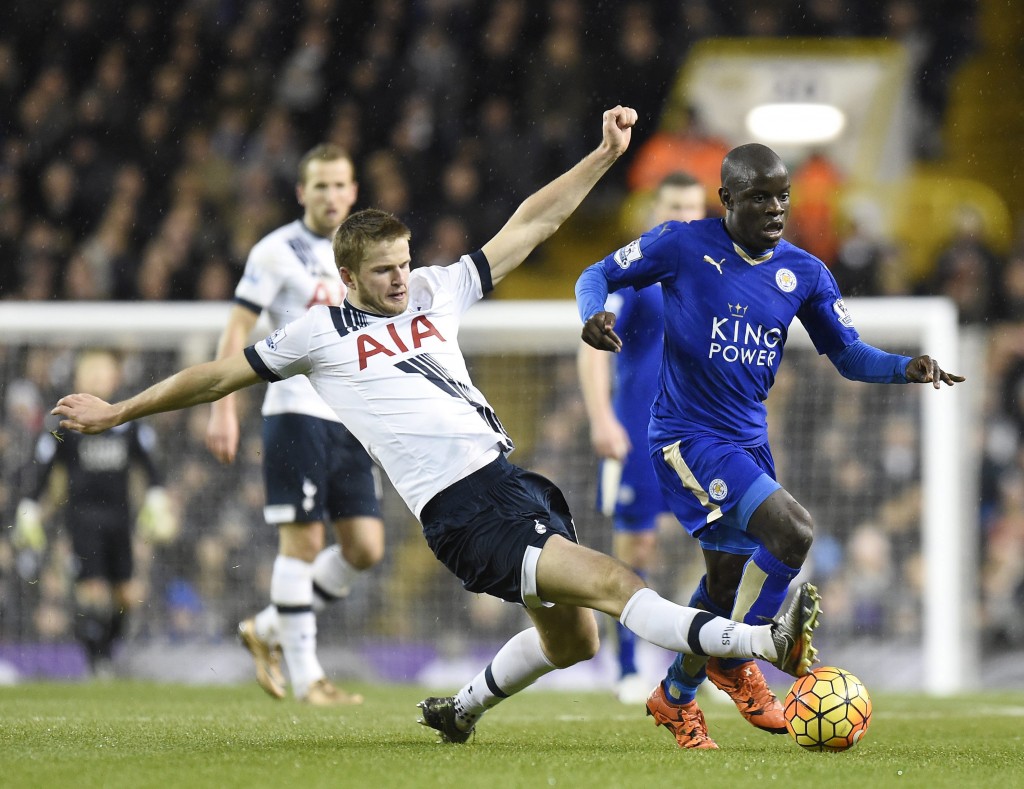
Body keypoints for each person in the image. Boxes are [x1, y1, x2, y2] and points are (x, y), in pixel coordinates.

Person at [51, 108, 821, 744]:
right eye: (384, 271)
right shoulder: (319, 334)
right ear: (347, 277)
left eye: (404, 261)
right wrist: (119, 409)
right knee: (619, 584)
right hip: (460, 507)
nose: (401, 279)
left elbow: (531, 224)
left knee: (573, 640)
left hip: (508, 481)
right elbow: (218, 374)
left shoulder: (433, 290)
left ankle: (462, 709)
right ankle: (761, 644)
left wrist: (602, 156)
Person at [575, 142, 965, 749]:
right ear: (727, 198)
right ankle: (741, 656)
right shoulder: (680, 243)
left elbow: (848, 355)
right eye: (760, 197)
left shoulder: (805, 272)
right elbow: (595, 274)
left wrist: (903, 367)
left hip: (748, 443)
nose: (776, 208)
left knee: (722, 585)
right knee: (794, 531)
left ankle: (674, 696)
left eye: (782, 196)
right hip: (686, 437)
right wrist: (593, 313)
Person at [204, 143, 384, 706]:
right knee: (303, 543)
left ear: (354, 192)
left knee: (365, 548)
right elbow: (237, 328)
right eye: (320, 185)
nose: (331, 195)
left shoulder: (368, 251)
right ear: (302, 192)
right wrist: (222, 406)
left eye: (340, 185)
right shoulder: (275, 251)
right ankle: (309, 680)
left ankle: (267, 627)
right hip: (294, 411)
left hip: (351, 415)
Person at [576, 171, 707, 704]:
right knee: (637, 547)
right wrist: (602, 419)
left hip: (700, 433)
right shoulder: (634, 275)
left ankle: (710, 662)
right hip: (639, 428)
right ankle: (628, 667)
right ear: (655, 211)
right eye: (674, 205)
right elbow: (591, 347)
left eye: (692, 206)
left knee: (723, 546)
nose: (683, 216)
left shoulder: (715, 274)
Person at [10, 349, 176, 676]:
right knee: (92, 590)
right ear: (79, 377)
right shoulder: (64, 422)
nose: (98, 376)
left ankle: (108, 652)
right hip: (83, 519)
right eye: (91, 370)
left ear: (115, 377)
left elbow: (150, 466)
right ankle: (94, 658)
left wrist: (157, 498)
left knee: (126, 594)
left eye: (104, 370)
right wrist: (29, 505)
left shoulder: (129, 421)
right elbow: (44, 466)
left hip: (120, 518)